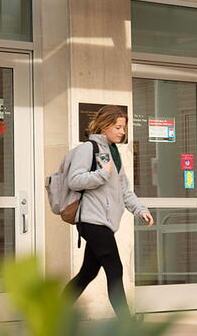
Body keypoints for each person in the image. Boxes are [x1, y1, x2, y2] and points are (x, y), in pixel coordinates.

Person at [63, 105, 153, 316]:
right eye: (118, 127)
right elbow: (74, 180)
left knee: (87, 273)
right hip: (92, 220)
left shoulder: (114, 152)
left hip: (105, 222)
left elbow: (124, 190)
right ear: (105, 126)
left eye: (124, 127)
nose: (123, 132)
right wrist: (101, 175)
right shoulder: (89, 148)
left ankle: (55, 314)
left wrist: (140, 210)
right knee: (115, 269)